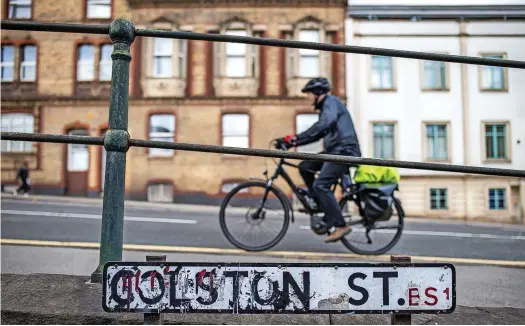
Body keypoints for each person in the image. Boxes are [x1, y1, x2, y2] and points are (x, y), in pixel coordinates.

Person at [277, 77, 362, 243]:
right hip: (334, 150)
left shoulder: (331, 102)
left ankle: (340, 225)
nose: (308, 98)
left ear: (318, 93)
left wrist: (294, 138)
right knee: (305, 166)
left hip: (344, 151)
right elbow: (318, 133)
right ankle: (319, 204)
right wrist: (294, 141)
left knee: (321, 184)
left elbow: (322, 125)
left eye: (309, 94)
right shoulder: (326, 109)